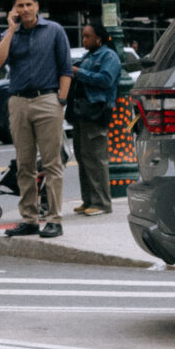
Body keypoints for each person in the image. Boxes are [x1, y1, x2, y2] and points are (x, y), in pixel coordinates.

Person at [0, 0, 71, 238]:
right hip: (18, 102)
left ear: (37, 5)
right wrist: (12, 30)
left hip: (47, 99)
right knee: (24, 164)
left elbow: (66, 68)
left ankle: (55, 219)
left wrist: (61, 101)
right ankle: (30, 219)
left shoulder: (54, 30)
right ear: (13, 10)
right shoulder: (10, 34)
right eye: (19, 6)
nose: (24, 9)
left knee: (51, 163)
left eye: (28, 4)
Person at [67, 19, 122, 215]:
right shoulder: (88, 56)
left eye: (87, 36)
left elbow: (106, 80)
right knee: (83, 156)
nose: (84, 40)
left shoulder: (109, 56)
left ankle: (101, 203)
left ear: (99, 39)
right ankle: (89, 200)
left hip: (96, 110)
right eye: (83, 36)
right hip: (82, 111)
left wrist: (79, 72)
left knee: (96, 158)